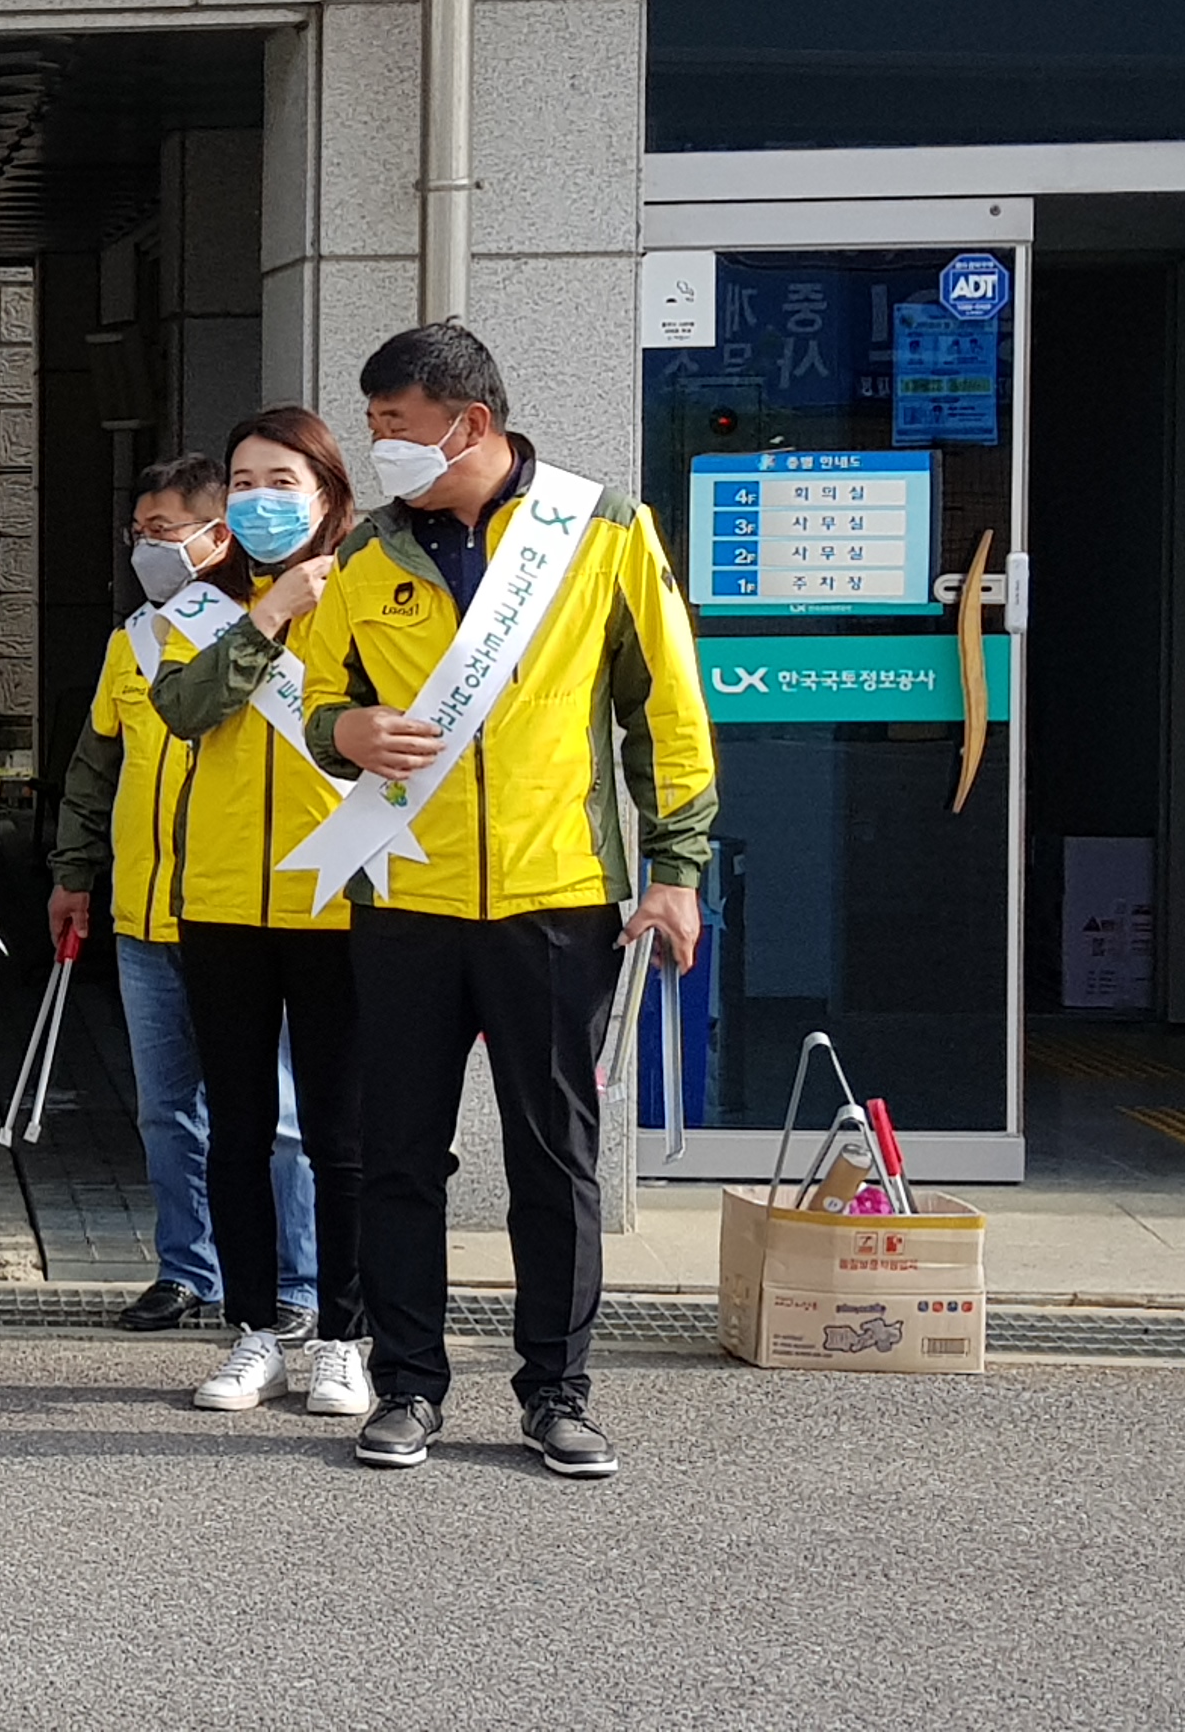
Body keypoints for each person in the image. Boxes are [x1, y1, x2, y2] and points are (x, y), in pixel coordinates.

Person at [301, 322, 715, 1478]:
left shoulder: (602, 534)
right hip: (405, 898)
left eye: (395, 427)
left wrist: (676, 868)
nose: (378, 447)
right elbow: (317, 703)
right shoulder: (372, 553)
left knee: (554, 1156)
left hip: (557, 898)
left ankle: (557, 1389)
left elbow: (667, 715)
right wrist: (345, 731)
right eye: (373, 424)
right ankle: (410, 1385)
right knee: (398, 1155)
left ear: (469, 423)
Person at [47, 453, 320, 1343]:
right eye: (139, 533)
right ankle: (186, 1268)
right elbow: (96, 769)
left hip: (244, 914)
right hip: (146, 914)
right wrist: (73, 874)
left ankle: (296, 1279)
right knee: (167, 1109)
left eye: (164, 531)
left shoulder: (281, 629)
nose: (147, 548)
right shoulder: (138, 639)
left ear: (218, 532)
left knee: (277, 1114)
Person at [148, 411, 367, 1419]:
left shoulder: (378, 592)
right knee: (234, 1128)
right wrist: (268, 613)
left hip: (345, 898)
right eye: (242, 482)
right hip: (226, 901)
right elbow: (186, 709)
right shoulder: (201, 609)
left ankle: (343, 1334)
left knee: (338, 1130)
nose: (258, 498)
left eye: (280, 479)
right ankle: (252, 1331)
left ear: (327, 490)